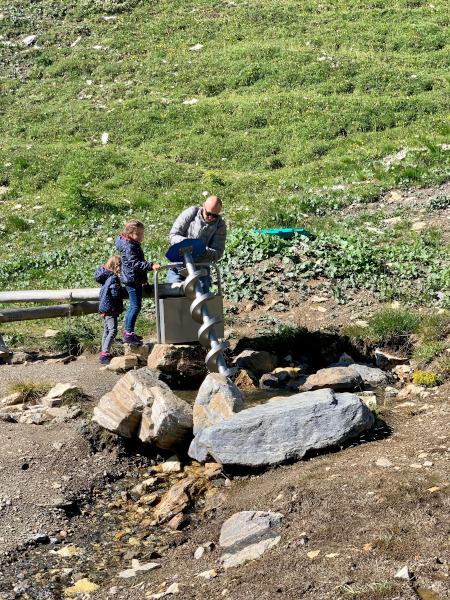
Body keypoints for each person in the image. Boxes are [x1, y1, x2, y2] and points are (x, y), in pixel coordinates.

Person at [115, 219, 161, 346]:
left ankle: (129, 332)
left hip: (134, 279)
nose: (141, 236)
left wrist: (143, 279)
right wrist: (150, 265)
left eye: (142, 233)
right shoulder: (130, 246)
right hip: (132, 279)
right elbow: (134, 263)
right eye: (138, 234)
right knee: (135, 306)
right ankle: (128, 333)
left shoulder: (131, 244)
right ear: (130, 234)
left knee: (134, 306)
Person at [168, 195, 226, 292]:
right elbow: (173, 235)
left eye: (214, 215)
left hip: (200, 269)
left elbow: (218, 253)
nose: (210, 217)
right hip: (179, 267)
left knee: (201, 299)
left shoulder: (220, 225)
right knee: (175, 298)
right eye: (208, 213)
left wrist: (203, 250)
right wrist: (188, 244)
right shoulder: (191, 213)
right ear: (203, 206)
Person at [94, 256, 124, 365]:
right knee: (113, 330)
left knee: (106, 331)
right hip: (111, 308)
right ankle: (105, 354)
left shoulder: (106, 278)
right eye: (121, 266)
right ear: (117, 266)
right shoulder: (114, 278)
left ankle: (104, 352)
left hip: (104, 308)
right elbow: (115, 294)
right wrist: (121, 292)